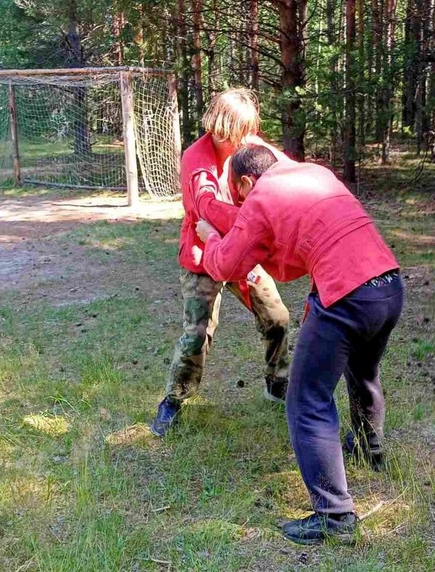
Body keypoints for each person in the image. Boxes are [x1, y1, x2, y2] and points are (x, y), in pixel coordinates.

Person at [195, 145, 403, 545]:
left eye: (238, 195)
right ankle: (368, 448)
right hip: (388, 286)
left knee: (306, 400)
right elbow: (291, 260)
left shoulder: (260, 196)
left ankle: (335, 516)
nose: (241, 203)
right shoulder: (314, 173)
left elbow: (226, 265)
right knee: (363, 371)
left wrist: (211, 237)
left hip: (345, 296)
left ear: (246, 182)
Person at [150, 89, 291, 438]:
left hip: (241, 251)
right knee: (197, 334)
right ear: (222, 127)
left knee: (276, 317)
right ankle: (173, 399)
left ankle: (278, 383)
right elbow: (206, 207)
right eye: (241, 131)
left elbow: (283, 168)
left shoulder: (248, 145)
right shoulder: (196, 158)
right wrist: (255, 221)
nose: (247, 138)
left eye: (249, 130)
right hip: (203, 256)